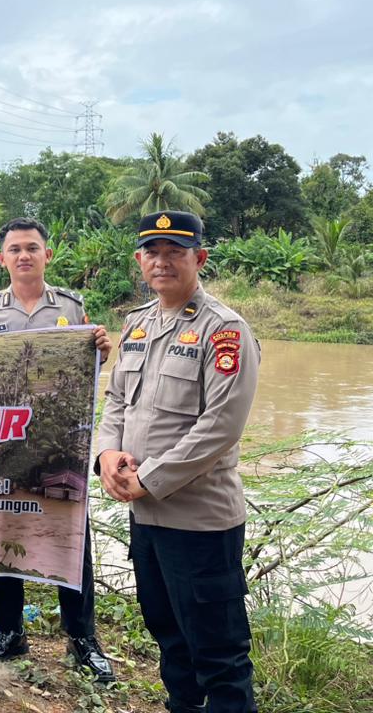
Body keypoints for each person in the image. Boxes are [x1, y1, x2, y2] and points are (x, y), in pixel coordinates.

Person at [95, 211, 260, 713]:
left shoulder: (224, 330)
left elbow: (221, 427)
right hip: (146, 518)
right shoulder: (137, 324)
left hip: (200, 523)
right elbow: (116, 401)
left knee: (219, 655)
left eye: (175, 252)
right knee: (169, 638)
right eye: (153, 252)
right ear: (139, 260)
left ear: (199, 258)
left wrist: (147, 477)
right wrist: (106, 454)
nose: (162, 262)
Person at [0, 218, 115, 682]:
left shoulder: (71, 306)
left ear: (47, 255)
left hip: (61, 440)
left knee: (70, 535)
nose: (24, 255)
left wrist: (101, 352)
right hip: (8, 442)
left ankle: (82, 638)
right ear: (2, 259)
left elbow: (86, 368)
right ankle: (8, 632)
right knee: (5, 534)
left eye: (32, 247)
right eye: (15, 249)